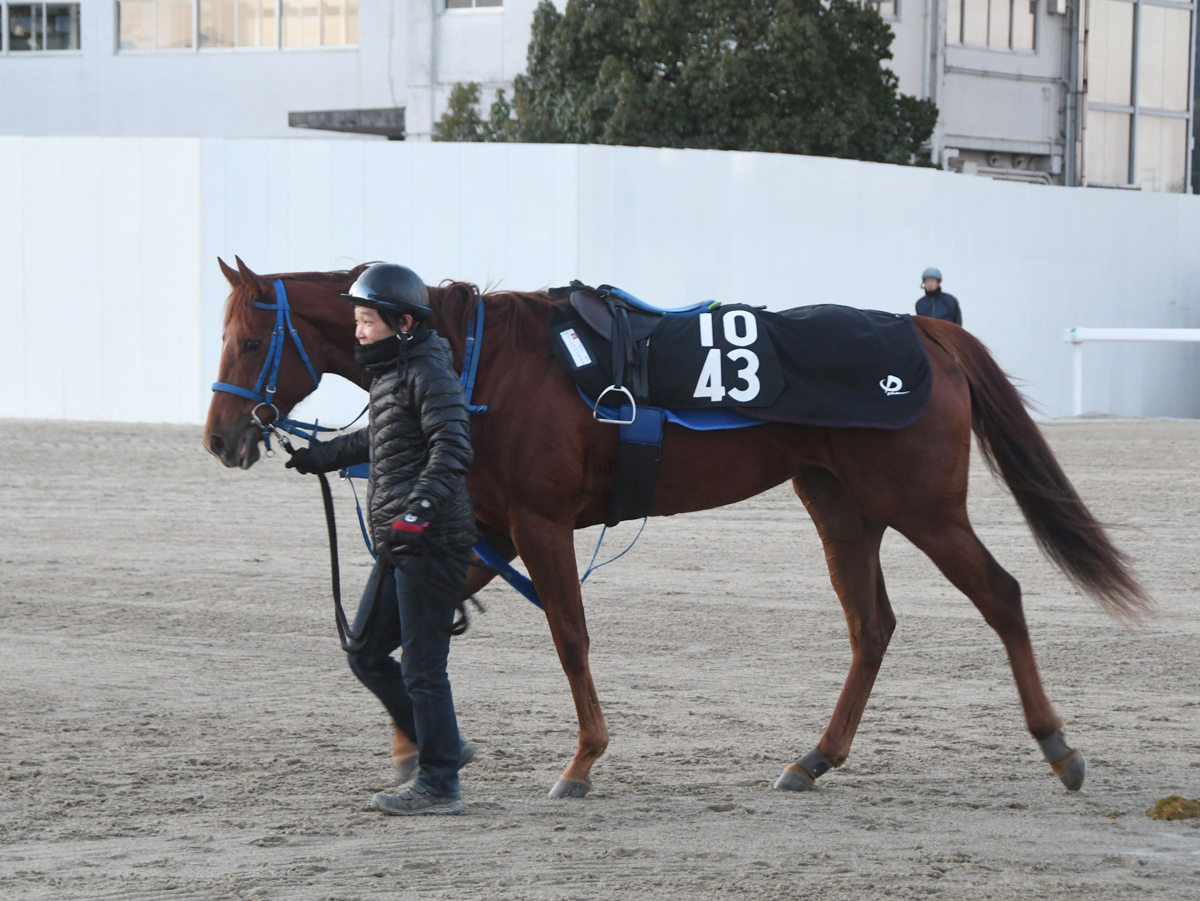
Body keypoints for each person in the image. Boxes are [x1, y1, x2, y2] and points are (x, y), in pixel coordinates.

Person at [284, 263, 477, 816]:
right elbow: (382, 435)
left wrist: (416, 513)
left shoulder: (431, 375)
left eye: (367, 320)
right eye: (358, 319)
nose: (358, 331)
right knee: (366, 653)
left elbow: (452, 450)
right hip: (403, 542)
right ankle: (445, 746)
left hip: (432, 540)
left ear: (404, 323)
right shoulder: (393, 373)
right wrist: (319, 457)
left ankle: (439, 783)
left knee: (421, 667)